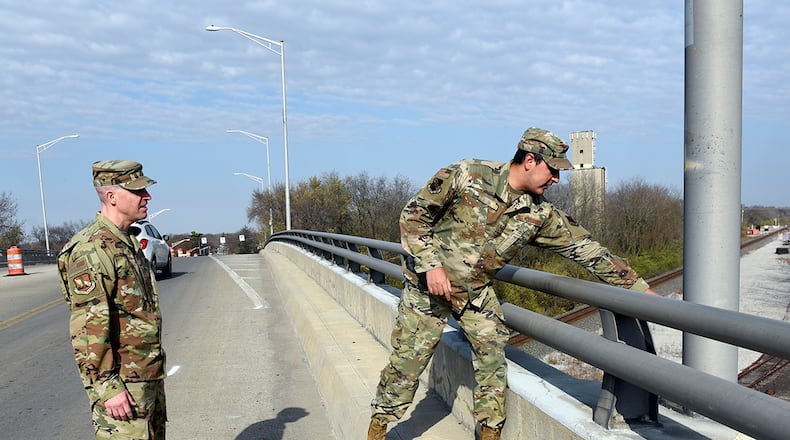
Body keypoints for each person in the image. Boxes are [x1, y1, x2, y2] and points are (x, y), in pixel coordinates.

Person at [367, 128, 658, 440]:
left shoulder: (540, 213)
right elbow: (413, 217)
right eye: (554, 170)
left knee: (492, 358)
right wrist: (431, 264)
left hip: (474, 294)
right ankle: (379, 425)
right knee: (407, 364)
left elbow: (587, 250)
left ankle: (490, 432)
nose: (557, 180)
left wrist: (641, 291)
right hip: (427, 289)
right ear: (530, 160)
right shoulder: (468, 175)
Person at [57, 160, 167, 439]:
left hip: (146, 378)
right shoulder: (91, 250)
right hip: (123, 391)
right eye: (138, 190)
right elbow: (87, 330)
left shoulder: (126, 242)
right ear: (112, 196)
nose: (147, 197)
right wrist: (107, 387)